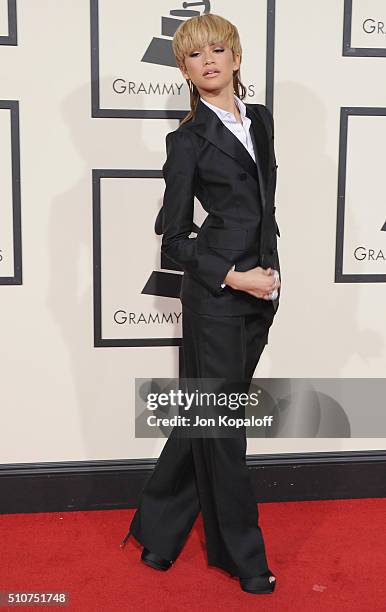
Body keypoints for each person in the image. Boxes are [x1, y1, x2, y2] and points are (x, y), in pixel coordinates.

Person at [120, 13, 281, 595]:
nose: (208, 60)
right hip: (219, 296)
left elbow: (260, 204)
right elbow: (175, 239)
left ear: (236, 58)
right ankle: (245, 558)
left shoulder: (260, 121)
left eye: (218, 49)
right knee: (226, 426)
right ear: (184, 70)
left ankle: (158, 534)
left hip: (264, 293)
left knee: (206, 417)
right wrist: (236, 279)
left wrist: (269, 277)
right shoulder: (186, 140)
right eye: (194, 55)